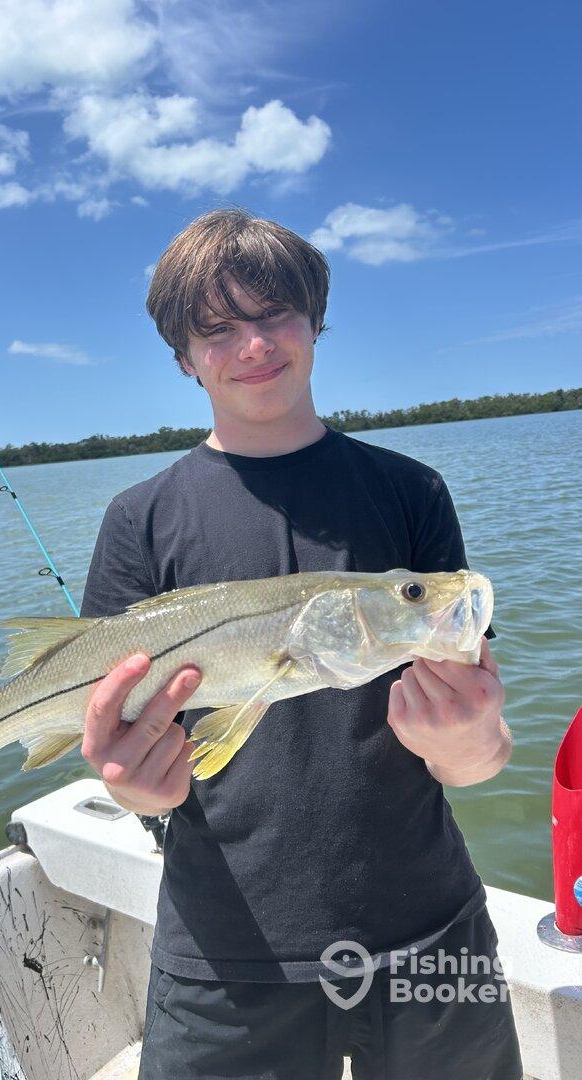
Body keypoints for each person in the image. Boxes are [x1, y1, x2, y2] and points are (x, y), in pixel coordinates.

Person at [79, 209, 522, 1079]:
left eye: (274, 312)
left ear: (315, 321)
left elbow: (474, 751)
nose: (253, 344)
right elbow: (127, 760)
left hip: (428, 928)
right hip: (223, 950)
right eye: (217, 328)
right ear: (182, 358)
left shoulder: (412, 492)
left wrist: (471, 740)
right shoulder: (140, 519)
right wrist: (131, 788)